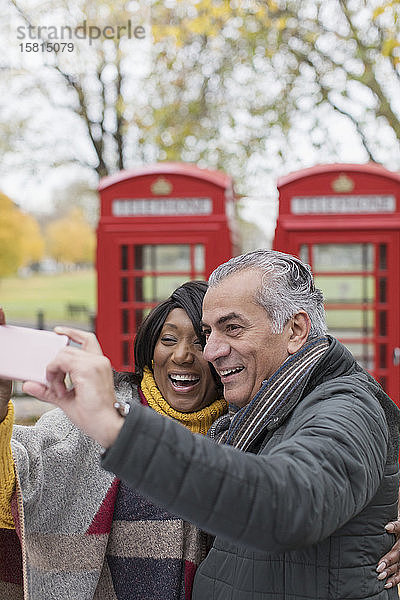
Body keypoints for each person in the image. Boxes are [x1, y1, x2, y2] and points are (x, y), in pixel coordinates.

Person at [25, 249, 400, 600]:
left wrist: (115, 426)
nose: (209, 352)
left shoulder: (344, 405)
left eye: (232, 328)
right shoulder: (261, 412)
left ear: (296, 331)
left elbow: (286, 504)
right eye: (210, 332)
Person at [0, 281, 228, 600]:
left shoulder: (244, 430)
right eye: (168, 339)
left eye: (199, 342)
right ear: (150, 349)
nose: (182, 355)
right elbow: (20, 470)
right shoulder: (94, 415)